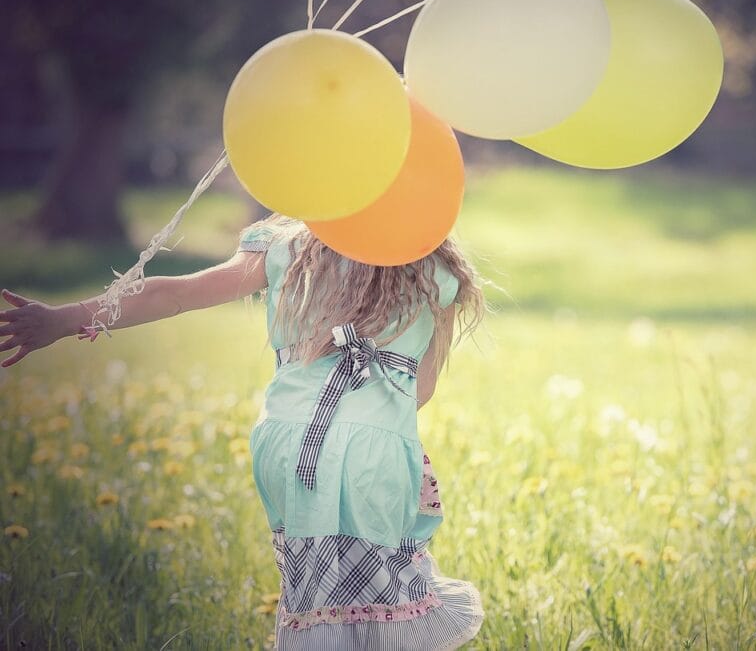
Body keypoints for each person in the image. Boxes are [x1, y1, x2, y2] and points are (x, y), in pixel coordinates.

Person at [0, 212, 488, 650]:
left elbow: (177, 293)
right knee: (381, 603)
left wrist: (63, 319)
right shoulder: (436, 270)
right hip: (373, 448)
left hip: (289, 444)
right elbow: (418, 391)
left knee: (314, 596)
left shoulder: (289, 242)